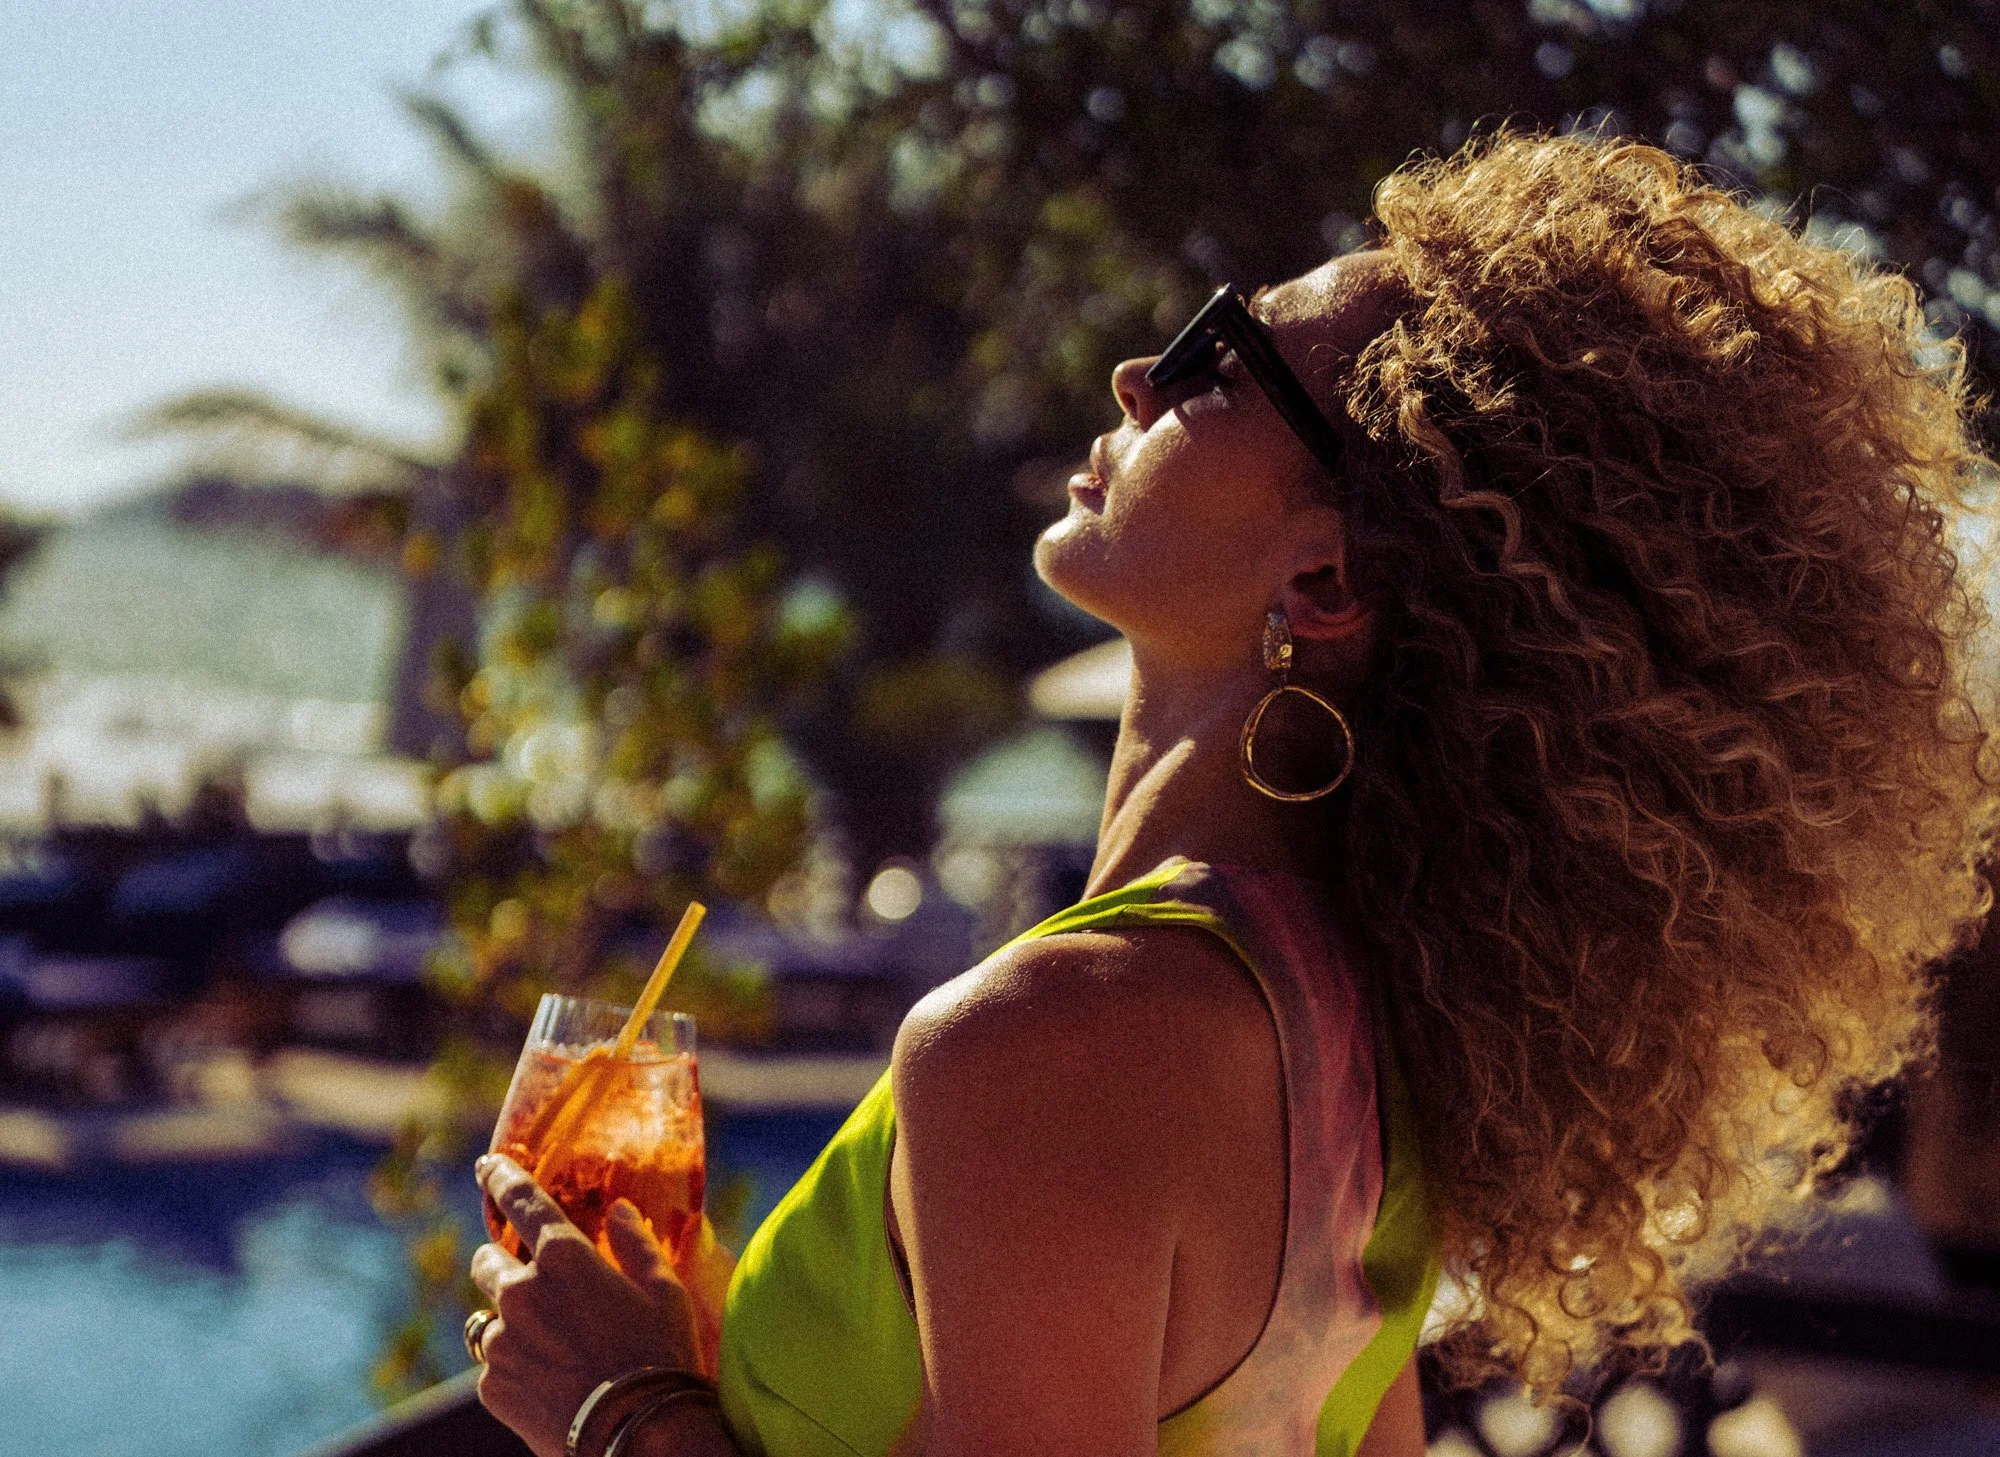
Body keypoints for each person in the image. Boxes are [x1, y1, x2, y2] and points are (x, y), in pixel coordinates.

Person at [463, 129, 2000, 1457]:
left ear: (1324, 577)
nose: (1140, 372)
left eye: (1217, 360)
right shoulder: (1361, 1050)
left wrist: (618, 1405)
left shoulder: (1048, 1041)